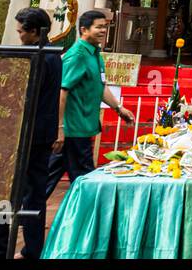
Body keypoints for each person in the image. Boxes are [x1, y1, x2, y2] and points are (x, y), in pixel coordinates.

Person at [0, 8, 61, 259]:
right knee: (34, 195)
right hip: (42, 133)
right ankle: (33, 249)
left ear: (35, 32)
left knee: (3, 189)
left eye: (21, 32)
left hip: (24, 133)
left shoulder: (39, 57)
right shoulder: (52, 55)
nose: (19, 36)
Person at [46, 10, 135, 198]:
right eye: (99, 27)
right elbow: (62, 91)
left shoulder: (95, 54)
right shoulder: (77, 55)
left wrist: (118, 108)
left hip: (83, 127)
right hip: (73, 129)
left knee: (50, 176)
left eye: (105, 26)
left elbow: (99, 86)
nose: (103, 30)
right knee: (85, 181)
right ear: (84, 30)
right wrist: (60, 128)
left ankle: (24, 209)